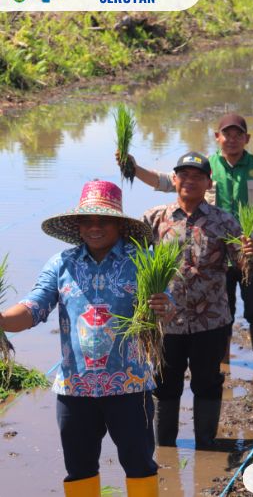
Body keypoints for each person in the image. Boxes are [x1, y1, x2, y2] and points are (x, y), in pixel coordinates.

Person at [0, 180, 172, 497]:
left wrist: (165, 307)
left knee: (139, 466)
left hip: (129, 386)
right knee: (79, 470)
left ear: (119, 224)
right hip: (74, 389)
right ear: (77, 226)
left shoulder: (141, 261)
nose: (95, 227)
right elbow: (34, 306)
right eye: (87, 220)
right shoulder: (62, 264)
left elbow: (168, 308)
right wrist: (2, 320)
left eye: (103, 219)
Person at [123, 113, 253, 379]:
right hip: (214, 259)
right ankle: (222, 364)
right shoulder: (204, 168)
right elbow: (165, 181)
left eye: (239, 134)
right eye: (227, 134)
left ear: (247, 139)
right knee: (221, 312)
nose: (232, 139)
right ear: (217, 137)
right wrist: (133, 168)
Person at [141, 152, 253, 450]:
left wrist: (250, 253)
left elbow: (243, 269)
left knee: (207, 384)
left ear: (208, 183)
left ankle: (205, 444)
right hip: (167, 322)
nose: (189, 181)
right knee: (165, 385)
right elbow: (131, 259)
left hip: (211, 320)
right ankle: (164, 448)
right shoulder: (156, 219)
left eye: (197, 176)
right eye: (184, 175)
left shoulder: (224, 222)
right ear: (175, 179)